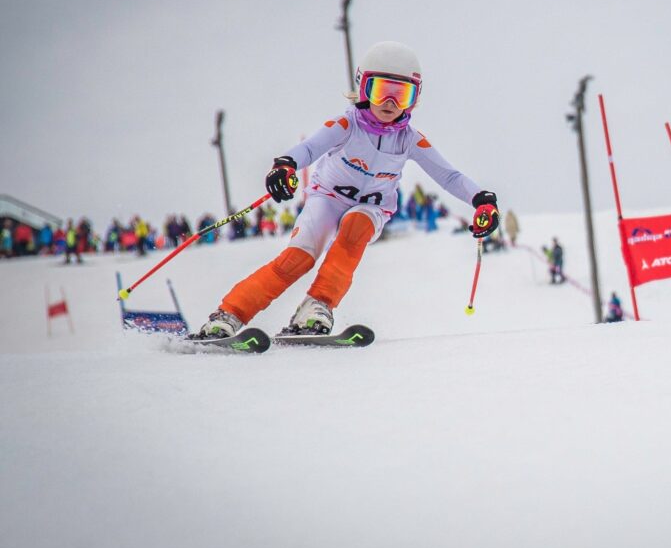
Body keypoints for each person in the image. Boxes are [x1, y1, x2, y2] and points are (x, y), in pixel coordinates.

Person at [194, 41, 500, 338]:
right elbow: (310, 148)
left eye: (401, 95)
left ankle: (317, 306)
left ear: (414, 99)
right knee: (296, 261)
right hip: (327, 199)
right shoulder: (347, 124)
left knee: (356, 227)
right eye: (381, 91)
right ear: (362, 87)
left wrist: (481, 201)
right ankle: (229, 315)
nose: (390, 104)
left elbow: (448, 175)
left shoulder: (409, 138)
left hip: (372, 207)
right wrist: (286, 165)